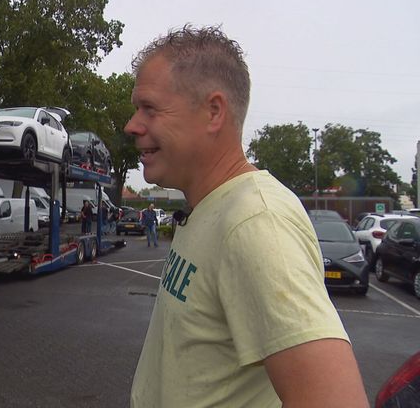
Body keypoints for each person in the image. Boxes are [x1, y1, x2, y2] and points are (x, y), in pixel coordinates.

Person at [124, 25, 368, 407]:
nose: (132, 125)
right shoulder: (210, 207)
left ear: (213, 112)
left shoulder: (256, 221)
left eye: (149, 108)